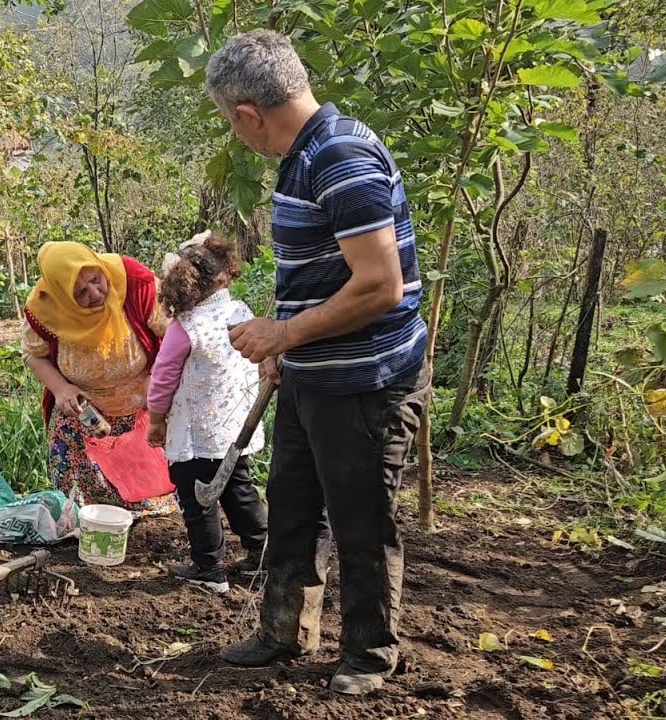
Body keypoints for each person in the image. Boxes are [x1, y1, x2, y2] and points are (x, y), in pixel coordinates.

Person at [204, 30, 431, 695]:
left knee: (361, 520)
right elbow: (321, 272)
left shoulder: (339, 157)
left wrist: (284, 333)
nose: (236, 133)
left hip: (365, 383)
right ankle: (283, 632)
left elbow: (380, 285)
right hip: (315, 374)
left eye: (231, 123)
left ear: (247, 114)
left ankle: (369, 655)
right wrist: (288, 346)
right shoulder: (307, 154)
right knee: (295, 505)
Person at [145, 231, 268, 595]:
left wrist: (155, 419)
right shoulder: (240, 312)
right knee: (238, 489)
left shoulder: (186, 329)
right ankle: (262, 553)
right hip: (235, 427)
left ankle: (209, 568)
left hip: (197, 433)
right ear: (224, 277)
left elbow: (163, 378)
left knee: (198, 498)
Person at [21, 242, 177, 515]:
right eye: (80, 292)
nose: (95, 293)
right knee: (78, 497)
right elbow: (34, 355)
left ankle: (145, 508)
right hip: (85, 409)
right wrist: (61, 389)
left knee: (152, 477)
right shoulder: (44, 308)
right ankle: (86, 515)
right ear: (62, 295)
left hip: (145, 401)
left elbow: (175, 333)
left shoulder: (134, 283)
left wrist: (157, 376)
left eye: (96, 279)